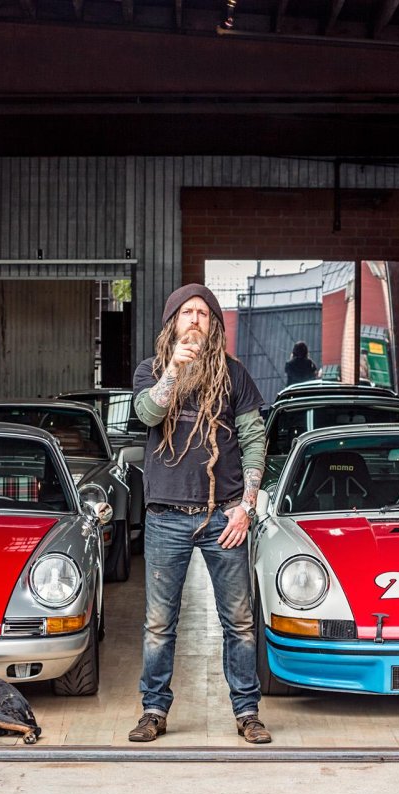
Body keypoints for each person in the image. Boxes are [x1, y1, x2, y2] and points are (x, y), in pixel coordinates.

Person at [129, 283, 271, 745]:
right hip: (166, 517)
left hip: (223, 517)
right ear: (172, 322)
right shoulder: (150, 370)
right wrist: (173, 369)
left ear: (215, 325)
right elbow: (149, 415)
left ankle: (247, 712)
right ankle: (153, 710)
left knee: (240, 621)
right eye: (187, 312)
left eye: (204, 314)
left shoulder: (235, 375)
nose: (195, 320)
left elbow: (254, 439)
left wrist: (246, 508)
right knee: (158, 623)